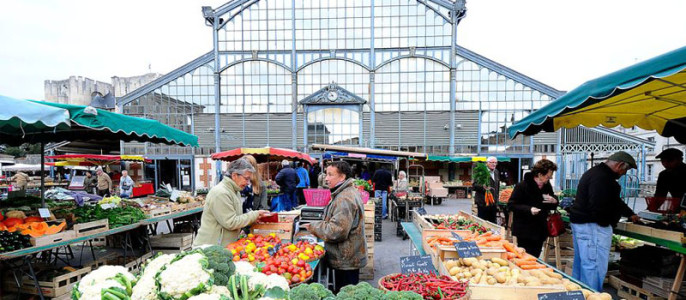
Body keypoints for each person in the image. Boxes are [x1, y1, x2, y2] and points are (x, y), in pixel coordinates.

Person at [569, 151, 641, 291]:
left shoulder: (596, 173)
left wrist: (630, 213)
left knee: (583, 264)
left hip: (583, 224)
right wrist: (607, 223)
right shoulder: (602, 178)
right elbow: (598, 205)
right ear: (619, 165)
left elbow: (614, 200)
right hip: (593, 227)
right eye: (625, 170)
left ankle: (578, 295)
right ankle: (593, 296)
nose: (624, 174)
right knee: (593, 266)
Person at [303, 161, 367, 293]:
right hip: (347, 256)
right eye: (326, 174)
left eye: (330, 175)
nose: (326, 178)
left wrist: (313, 227)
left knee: (345, 293)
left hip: (345, 259)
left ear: (342, 177)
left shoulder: (344, 198)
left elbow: (336, 231)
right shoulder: (344, 192)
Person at [194, 158, 271, 247]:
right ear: (234, 175)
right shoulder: (221, 193)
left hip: (222, 247)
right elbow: (231, 222)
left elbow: (237, 217)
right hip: (210, 248)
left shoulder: (235, 191)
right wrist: (255, 215)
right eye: (246, 179)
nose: (248, 183)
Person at [508, 159, 559, 257]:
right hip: (524, 229)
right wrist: (529, 209)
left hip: (540, 229)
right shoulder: (522, 186)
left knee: (536, 256)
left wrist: (554, 200)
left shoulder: (547, 186)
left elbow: (551, 203)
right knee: (524, 256)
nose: (550, 178)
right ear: (540, 174)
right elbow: (511, 205)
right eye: (548, 177)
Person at [473, 156, 500, 223]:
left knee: (493, 223)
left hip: (493, 203)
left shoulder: (496, 172)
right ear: (487, 163)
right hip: (483, 203)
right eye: (492, 162)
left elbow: (497, 187)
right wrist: (483, 187)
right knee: (483, 223)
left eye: (495, 162)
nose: (494, 164)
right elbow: (474, 186)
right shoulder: (481, 172)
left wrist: (496, 201)